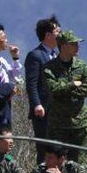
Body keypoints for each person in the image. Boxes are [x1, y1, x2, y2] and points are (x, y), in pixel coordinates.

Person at [43, 30, 87, 162]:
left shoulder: (83, 67)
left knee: (78, 165)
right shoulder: (49, 68)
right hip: (58, 124)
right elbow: (53, 90)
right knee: (55, 162)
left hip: (79, 123)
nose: (78, 46)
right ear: (63, 46)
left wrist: (63, 88)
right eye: (74, 43)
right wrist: (73, 84)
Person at [24, 16, 61, 162]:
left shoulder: (56, 55)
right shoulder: (35, 55)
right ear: (48, 35)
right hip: (43, 110)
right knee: (45, 149)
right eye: (58, 31)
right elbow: (31, 83)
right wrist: (37, 104)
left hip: (57, 110)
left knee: (59, 149)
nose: (60, 34)